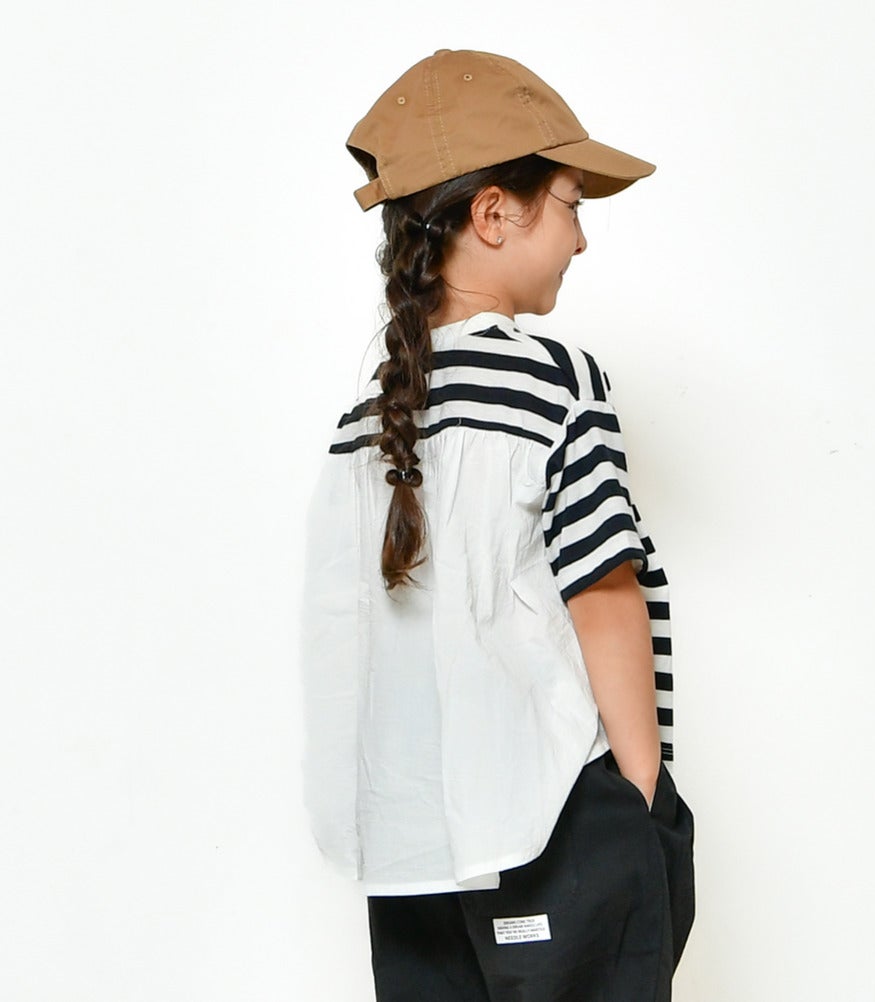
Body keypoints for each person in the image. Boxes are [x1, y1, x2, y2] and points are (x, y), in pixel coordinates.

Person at [301, 48, 695, 1002]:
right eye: (571, 205)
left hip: (413, 845)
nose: (581, 240)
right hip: (555, 817)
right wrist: (644, 799)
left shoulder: (367, 419)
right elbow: (602, 592)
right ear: (493, 213)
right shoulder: (553, 379)